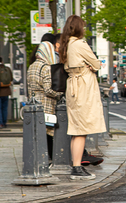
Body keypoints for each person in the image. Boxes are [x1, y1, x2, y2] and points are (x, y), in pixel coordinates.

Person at [58, 15, 106, 180]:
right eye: (83, 26)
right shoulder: (79, 44)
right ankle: (77, 168)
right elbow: (97, 64)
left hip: (73, 87)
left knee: (76, 129)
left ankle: (76, 165)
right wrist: (90, 65)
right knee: (81, 130)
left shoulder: (66, 45)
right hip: (82, 88)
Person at [27, 41, 63, 161]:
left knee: (37, 133)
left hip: (34, 102)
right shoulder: (46, 67)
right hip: (46, 104)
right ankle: (49, 159)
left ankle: (38, 158)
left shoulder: (32, 66)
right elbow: (48, 89)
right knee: (48, 133)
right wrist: (59, 94)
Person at [0, 56, 13, 129]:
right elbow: (11, 79)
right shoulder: (7, 69)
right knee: (5, 108)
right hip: (7, 91)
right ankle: (4, 123)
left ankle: (0, 123)